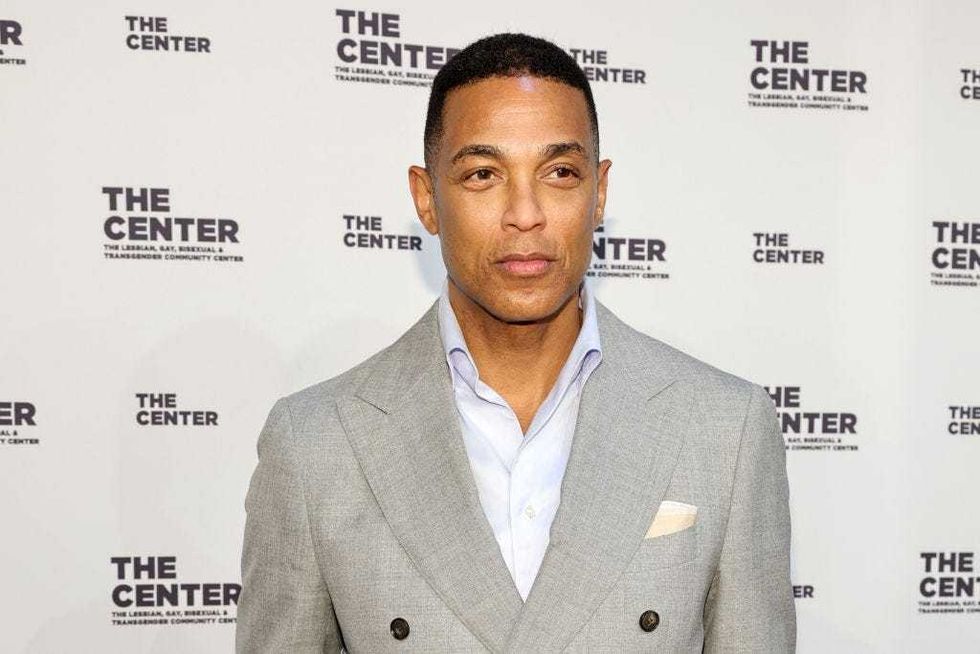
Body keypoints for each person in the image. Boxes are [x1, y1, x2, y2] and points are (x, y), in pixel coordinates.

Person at [236, 32, 795, 653]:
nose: (525, 213)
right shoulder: (316, 445)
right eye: (483, 174)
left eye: (559, 172)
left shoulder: (725, 428)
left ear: (599, 192)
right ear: (426, 199)